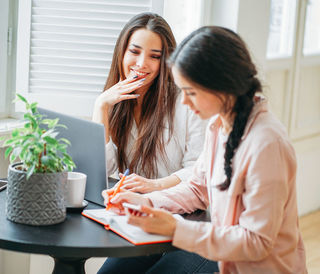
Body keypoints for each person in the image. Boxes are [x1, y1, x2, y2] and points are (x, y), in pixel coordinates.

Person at [99, 26, 307, 273]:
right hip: (220, 248)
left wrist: (175, 229)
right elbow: (198, 189)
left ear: (222, 86)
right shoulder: (219, 126)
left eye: (191, 92)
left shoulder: (266, 144)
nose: (184, 101)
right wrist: (145, 202)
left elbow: (257, 242)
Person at [92, 12, 206, 194]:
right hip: (127, 206)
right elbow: (104, 174)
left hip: (174, 208)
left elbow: (199, 170)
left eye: (154, 56)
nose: (141, 63)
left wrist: (155, 185)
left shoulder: (186, 103)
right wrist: (101, 107)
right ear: (121, 52)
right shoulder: (112, 102)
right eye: (134, 52)